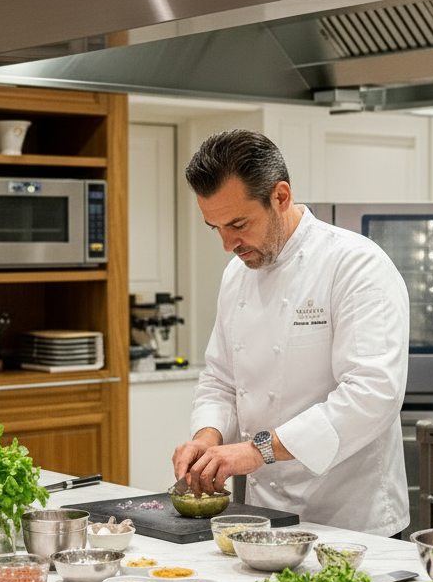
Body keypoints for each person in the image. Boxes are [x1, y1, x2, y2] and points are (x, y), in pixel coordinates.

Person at [171, 130, 410, 536]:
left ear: (280, 196)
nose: (228, 244)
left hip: (353, 521)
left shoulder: (355, 264)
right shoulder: (236, 275)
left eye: (238, 224)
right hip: (266, 519)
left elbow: (373, 394)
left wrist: (256, 451)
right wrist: (207, 437)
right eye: (215, 228)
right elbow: (221, 380)